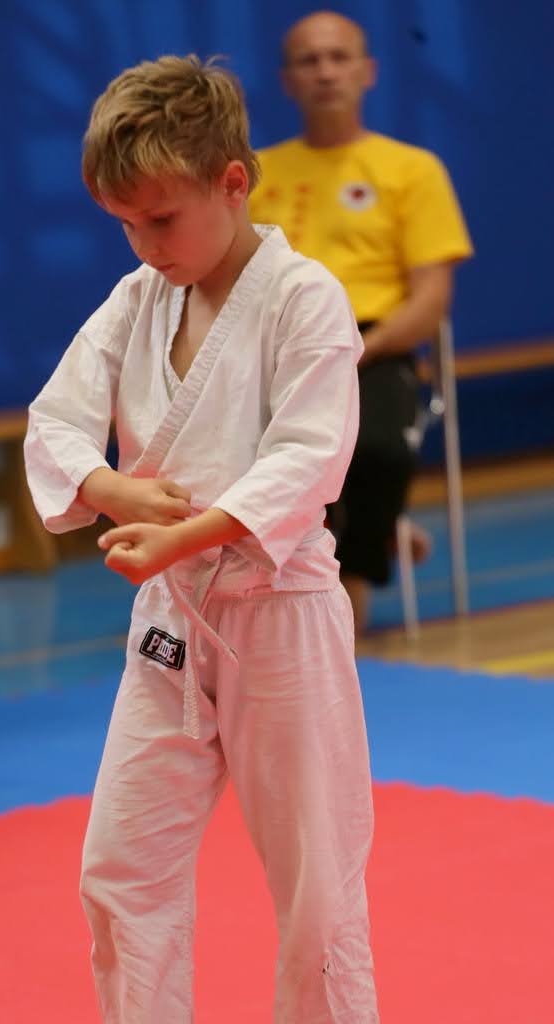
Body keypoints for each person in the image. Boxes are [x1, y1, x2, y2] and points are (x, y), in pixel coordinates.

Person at [24, 55, 379, 1023]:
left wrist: (183, 535)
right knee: (119, 872)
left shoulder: (303, 298)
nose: (144, 245)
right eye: (125, 224)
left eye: (160, 219)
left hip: (280, 615)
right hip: (170, 619)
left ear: (232, 182)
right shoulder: (136, 301)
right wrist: (111, 490)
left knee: (317, 894)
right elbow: (53, 421)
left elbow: (309, 455)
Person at [249, 11, 473, 633]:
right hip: (275, 352)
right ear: (287, 80)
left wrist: (361, 349)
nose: (325, 72)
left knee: (373, 449)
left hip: (372, 346)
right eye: (309, 61)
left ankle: (351, 585)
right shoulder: (254, 175)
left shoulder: (412, 170)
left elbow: (431, 297)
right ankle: (372, 526)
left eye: (339, 57)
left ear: (367, 71)